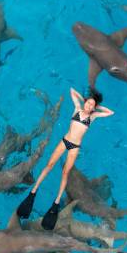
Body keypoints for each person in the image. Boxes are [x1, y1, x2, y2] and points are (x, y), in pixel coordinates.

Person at [16, 87, 114, 230]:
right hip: (64, 141)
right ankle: (34, 191)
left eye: (92, 106)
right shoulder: (77, 109)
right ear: (85, 102)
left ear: (94, 108)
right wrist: (85, 99)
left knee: (65, 173)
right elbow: (72, 91)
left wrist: (96, 106)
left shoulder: (93, 117)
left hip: (74, 147)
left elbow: (110, 112)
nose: (89, 106)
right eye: (88, 103)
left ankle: (56, 202)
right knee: (49, 165)